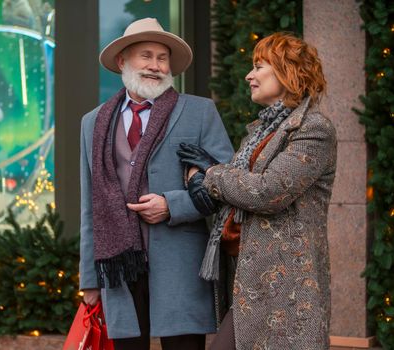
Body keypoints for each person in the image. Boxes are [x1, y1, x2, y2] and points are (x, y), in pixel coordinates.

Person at [79, 18, 234, 350]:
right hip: (119, 268)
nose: (155, 66)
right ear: (123, 61)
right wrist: (89, 281)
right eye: (145, 56)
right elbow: (89, 207)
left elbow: (229, 184)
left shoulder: (199, 112)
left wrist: (172, 205)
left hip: (181, 264)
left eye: (162, 58)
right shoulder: (93, 123)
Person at [178, 32, 336, 349]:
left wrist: (210, 172)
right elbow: (237, 185)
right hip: (253, 284)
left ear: (288, 70)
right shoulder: (262, 130)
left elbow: (268, 192)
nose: (249, 75)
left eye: (259, 66)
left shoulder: (313, 129)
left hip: (287, 289)